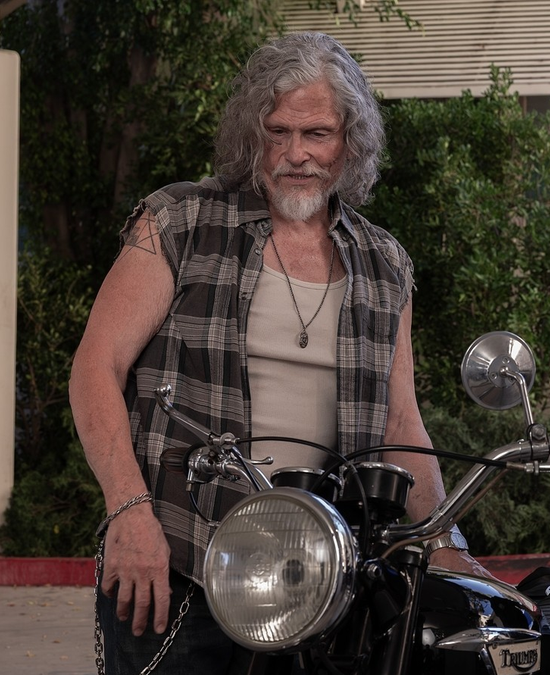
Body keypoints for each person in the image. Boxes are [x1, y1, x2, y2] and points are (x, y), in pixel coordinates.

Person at [70, 32, 489, 674]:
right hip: (181, 561)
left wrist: (444, 541)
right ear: (251, 134)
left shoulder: (384, 265)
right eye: (277, 132)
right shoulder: (180, 223)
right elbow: (96, 368)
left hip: (320, 585)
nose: (296, 154)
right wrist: (128, 511)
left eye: (316, 133)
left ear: (349, 142)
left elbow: (400, 423)